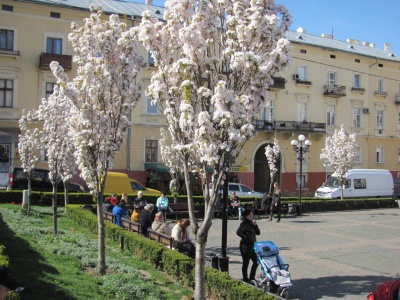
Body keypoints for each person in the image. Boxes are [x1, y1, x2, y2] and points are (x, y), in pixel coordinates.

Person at [236, 209, 260, 283]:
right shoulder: (244, 223)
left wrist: (256, 226)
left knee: (256, 262)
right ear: (246, 216)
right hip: (245, 246)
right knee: (246, 262)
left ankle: (252, 277)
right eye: (249, 215)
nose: (251, 216)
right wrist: (246, 238)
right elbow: (238, 232)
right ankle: (245, 278)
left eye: (252, 214)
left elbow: (258, 233)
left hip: (252, 246)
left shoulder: (252, 223)